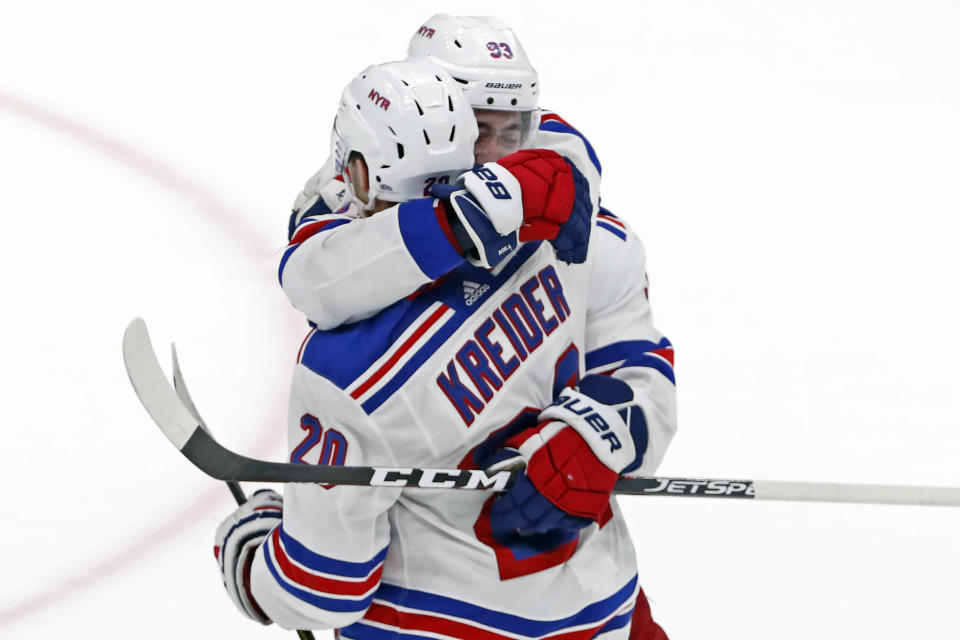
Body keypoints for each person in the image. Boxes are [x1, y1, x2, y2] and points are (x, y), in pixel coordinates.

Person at [215, 30, 675, 640]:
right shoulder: (574, 226)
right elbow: (320, 269)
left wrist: (604, 433)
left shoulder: (349, 376)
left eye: (513, 131)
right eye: (479, 127)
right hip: (600, 613)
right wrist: (457, 223)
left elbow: (318, 588)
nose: (496, 153)